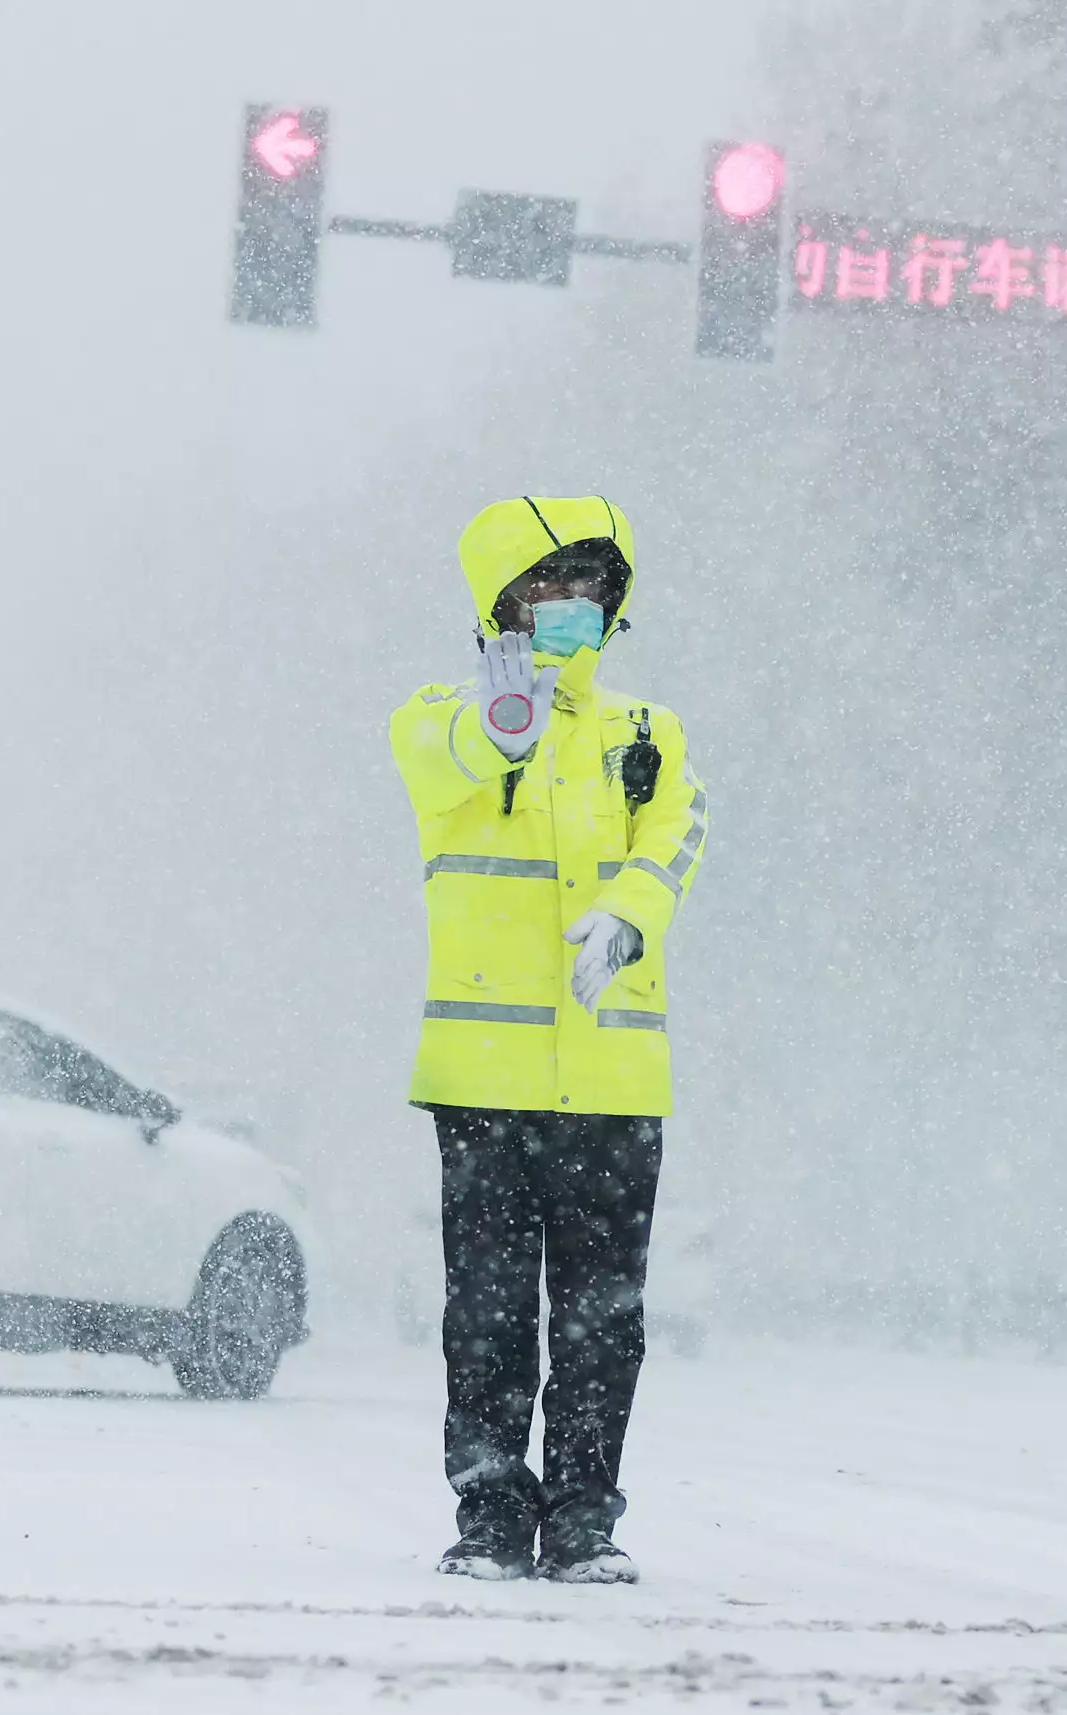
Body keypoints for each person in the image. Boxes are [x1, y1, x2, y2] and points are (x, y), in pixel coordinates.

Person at [388, 496, 708, 1584]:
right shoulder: (433, 714)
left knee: (601, 1320)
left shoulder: (645, 732)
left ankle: (580, 1516)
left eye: (589, 588)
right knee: (484, 1313)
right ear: (501, 602)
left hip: (614, 1078)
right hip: (482, 1080)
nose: (571, 608)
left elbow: (679, 828)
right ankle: (487, 1512)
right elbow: (449, 760)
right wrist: (503, 722)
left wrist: (629, 910)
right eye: (547, 586)